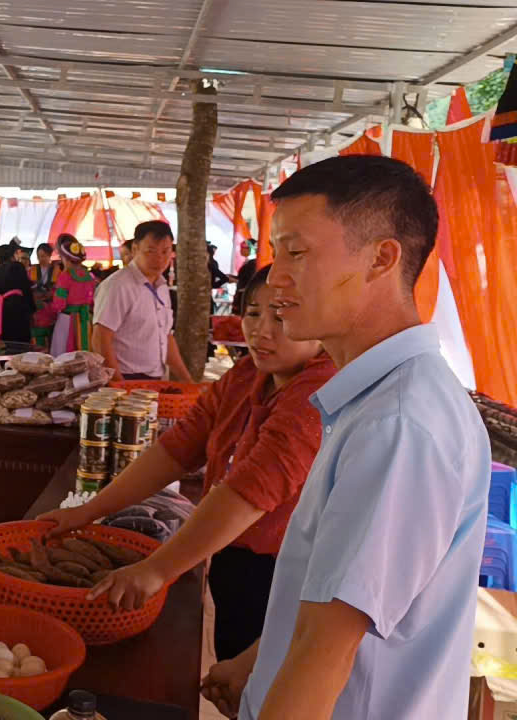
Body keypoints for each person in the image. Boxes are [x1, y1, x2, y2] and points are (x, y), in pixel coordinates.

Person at [200, 155, 490, 720]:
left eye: (297, 253)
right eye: (276, 252)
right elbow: (329, 597)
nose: (276, 277)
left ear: (382, 258)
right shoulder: (370, 401)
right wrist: (258, 662)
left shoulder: (398, 425)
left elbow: (324, 653)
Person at [40, 265, 335, 660]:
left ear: (321, 321)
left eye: (281, 317)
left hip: (288, 575)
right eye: (253, 313)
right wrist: (89, 511)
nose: (261, 330)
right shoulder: (248, 374)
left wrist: (158, 569)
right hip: (232, 554)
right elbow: (177, 448)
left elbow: (253, 488)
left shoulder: (320, 392)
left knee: (265, 675)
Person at [92, 222, 195, 382]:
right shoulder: (118, 285)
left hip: (155, 378)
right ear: (135, 249)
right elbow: (100, 338)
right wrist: (119, 384)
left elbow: (165, 337)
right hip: (125, 377)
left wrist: (187, 381)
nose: (159, 258)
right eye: (150, 251)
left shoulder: (161, 286)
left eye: (165, 251)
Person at [50, 234, 99, 354]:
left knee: (62, 353)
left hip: (67, 319)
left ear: (65, 259)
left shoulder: (65, 276)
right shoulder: (90, 277)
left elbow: (59, 304)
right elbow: (94, 301)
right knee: (84, 352)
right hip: (85, 319)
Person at [0, 245, 35, 343]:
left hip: (2, 308)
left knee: (4, 341)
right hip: (19, 306)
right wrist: (32, 307)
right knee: (19, 343)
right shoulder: (18, 267)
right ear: (13, 255)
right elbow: (26, 288)